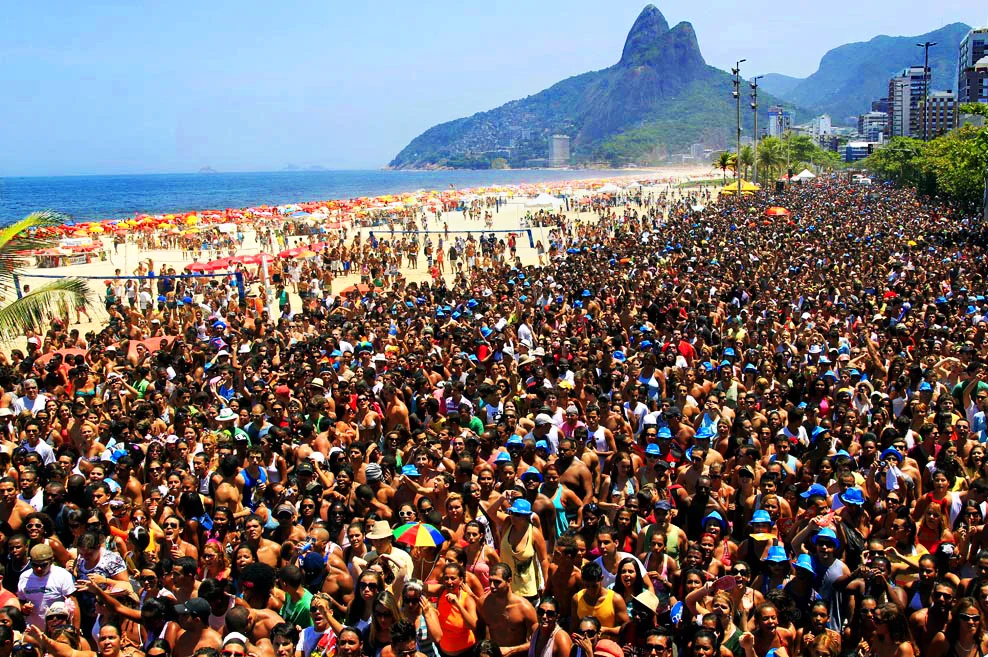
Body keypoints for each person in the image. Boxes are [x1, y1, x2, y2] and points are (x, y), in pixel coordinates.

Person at [481, 564, 537, 657]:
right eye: (490, 581)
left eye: (497, 582)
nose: (492, 586)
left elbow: (538, 641)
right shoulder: (484, 603)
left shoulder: (525, 608)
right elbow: (480, 631)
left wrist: (512, 650)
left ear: (509, 581)